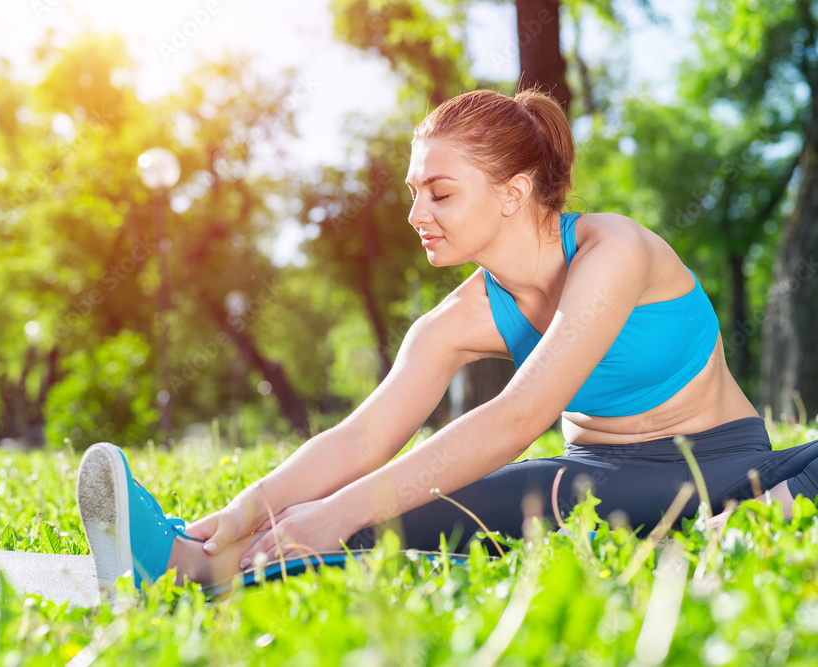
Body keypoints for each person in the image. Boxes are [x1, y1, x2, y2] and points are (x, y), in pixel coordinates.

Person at [75, 88, 818, 592]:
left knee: (467, 493)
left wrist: (338, 510)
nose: (415, 212)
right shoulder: (457, 320)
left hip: (726, 465)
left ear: (512, 194)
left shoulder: (615, 249)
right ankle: (191, 563)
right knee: (422, 510)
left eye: (440, 191)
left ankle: (736, 529)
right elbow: (361, 437)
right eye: (411, 191)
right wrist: (246, 509)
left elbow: (518, 417)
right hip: (590, 480)